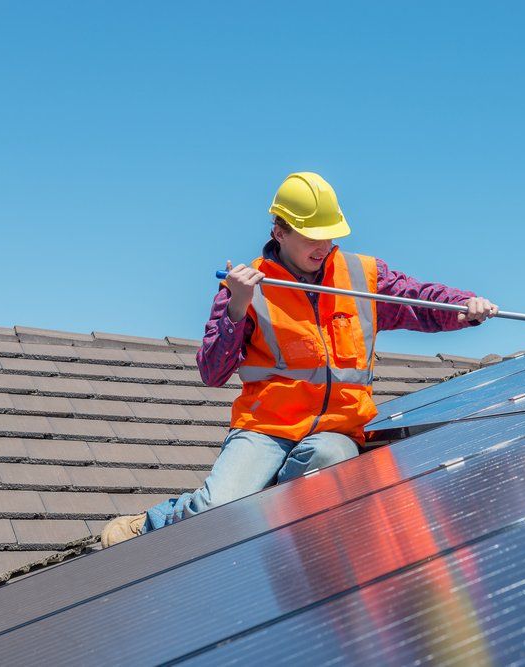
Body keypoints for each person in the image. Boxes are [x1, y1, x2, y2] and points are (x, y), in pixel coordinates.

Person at [101, 172, 498, 547]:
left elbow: (419, 301)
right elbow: (212, 370)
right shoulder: (246, 285)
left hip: (337, 429)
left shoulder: (362, 276)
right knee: (218, 511)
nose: (323, 246)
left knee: (333, 464)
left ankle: (266, 496)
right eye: (311, 236)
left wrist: (464, 306)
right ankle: (153, 522)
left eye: (330, 236)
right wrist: (237, 307)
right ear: (280, 231)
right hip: (266, 426)